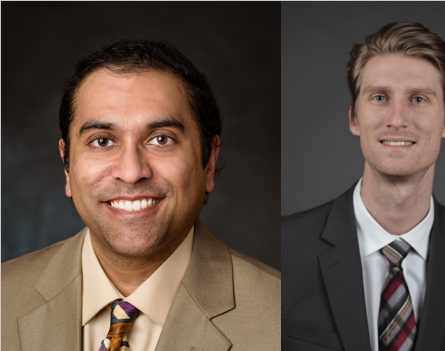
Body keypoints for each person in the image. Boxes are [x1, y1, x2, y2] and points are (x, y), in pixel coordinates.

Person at [0, 39, 281, 351]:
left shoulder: (281, 317)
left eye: (161, 139)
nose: (132, 172)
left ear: (210, 161)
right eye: (102, 141)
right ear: (67, 165)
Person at [280, 21, 445, 351]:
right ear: (354, 118)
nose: (397, 118)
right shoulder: (283, 251)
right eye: (379, 97)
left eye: (419, 99)